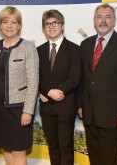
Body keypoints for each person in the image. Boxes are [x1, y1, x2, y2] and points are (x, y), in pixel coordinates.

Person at [78, 3, 117, 165]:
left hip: (113, 115)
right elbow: (83, 79)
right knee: (95, 158)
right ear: (94, 21)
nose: (103, 21)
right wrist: (80, 105)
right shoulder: (85, 45)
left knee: (110, 160)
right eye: (99, 17)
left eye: (107, 17)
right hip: (89, 114)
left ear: (114, 21)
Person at [0, 6, 39, 165]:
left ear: (19, 26)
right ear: (0, 26)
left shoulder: (28, 47)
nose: (9, 26)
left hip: (19, 110)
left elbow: (33, 81)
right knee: (7, 149)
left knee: (18, 150)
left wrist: (28, 111)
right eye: (5, 22)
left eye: (13, 22)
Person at [37, 9, 81, 165]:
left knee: (66, 147)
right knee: (53, 147)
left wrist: (58, 92)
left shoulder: (75, 49)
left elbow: (75, 78)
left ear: (62, 26)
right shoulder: (38, 51)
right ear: (44, 28)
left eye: (55, 22)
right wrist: (49, 92)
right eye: (47, 24)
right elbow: (36, 77)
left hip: (65, 105)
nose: (51, 26)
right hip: (47, 108)